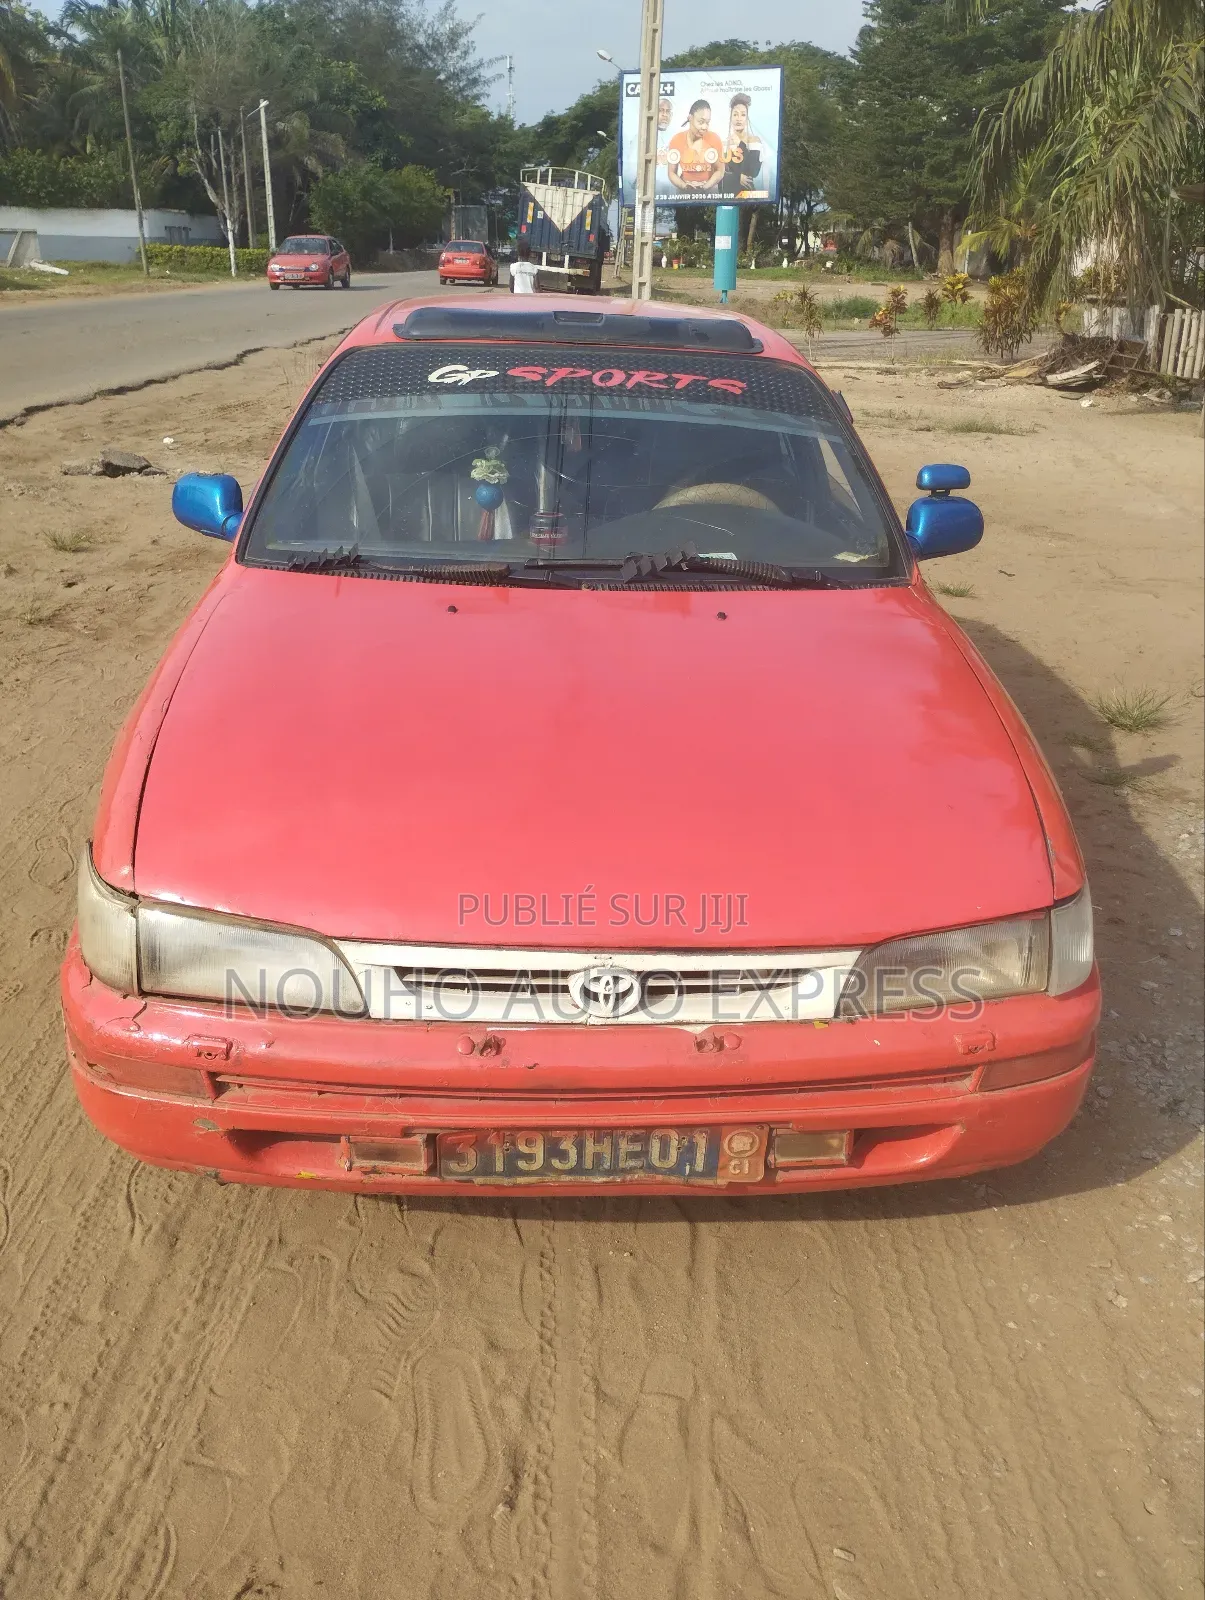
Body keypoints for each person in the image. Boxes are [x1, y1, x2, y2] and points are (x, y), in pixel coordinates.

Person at [665, 101, 724, 193]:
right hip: (683, 193)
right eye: (701, 122)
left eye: (707, 122)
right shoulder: (677, 140)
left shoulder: (714, 139)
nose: (704, 127)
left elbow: (720, 171)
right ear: (690, 118)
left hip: (710, 193)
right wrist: (685, 187)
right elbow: (671, 173)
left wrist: (704, 187)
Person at [720, 93, 765, 197]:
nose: (738, 119)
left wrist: (740, 144)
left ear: (747, 118)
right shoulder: (724, 144)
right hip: (727, 196)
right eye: (735, 114)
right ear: (731, 117)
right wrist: (738, 177)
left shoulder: (754, 141)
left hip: (747, 196)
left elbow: (753, 171)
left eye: (743, 114)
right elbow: (720, 174)